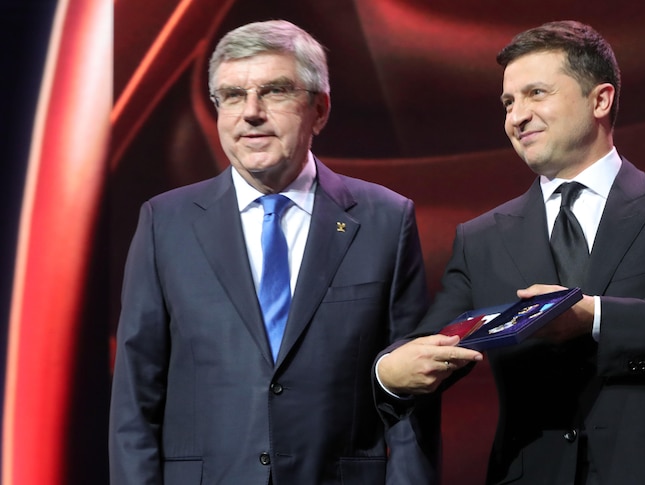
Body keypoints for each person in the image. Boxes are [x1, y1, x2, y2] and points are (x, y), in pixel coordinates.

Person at [376, 20, 645, 485]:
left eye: (536, 93)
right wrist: (388, 373)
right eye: (508, 102)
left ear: (600, 99)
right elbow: (434, 343)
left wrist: (596, 316)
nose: (516, 116)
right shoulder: (480, 238)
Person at [109, 20, 438, 485]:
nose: (251, 113)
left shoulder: (386, 219)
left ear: (319, 110)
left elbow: (411, 392)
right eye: (232, 96)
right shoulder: (166, 222)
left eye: (275, 91)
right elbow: (135, 402)